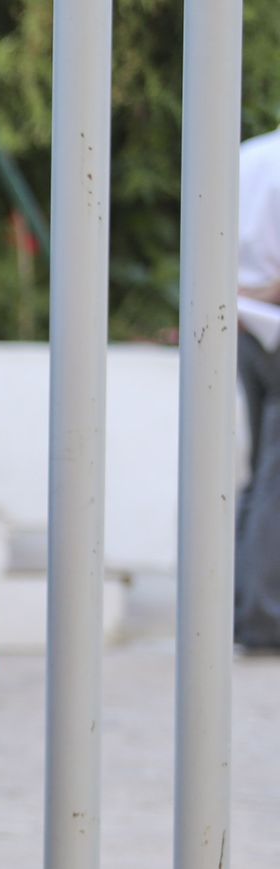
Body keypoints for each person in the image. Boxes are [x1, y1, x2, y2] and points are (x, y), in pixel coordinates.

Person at [235, 125, 280, 651]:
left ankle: (241, 606)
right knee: (272, 476)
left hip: (240, 326)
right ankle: (264, 617)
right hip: (272, 319)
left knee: (258, 475)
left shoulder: (246, 157)